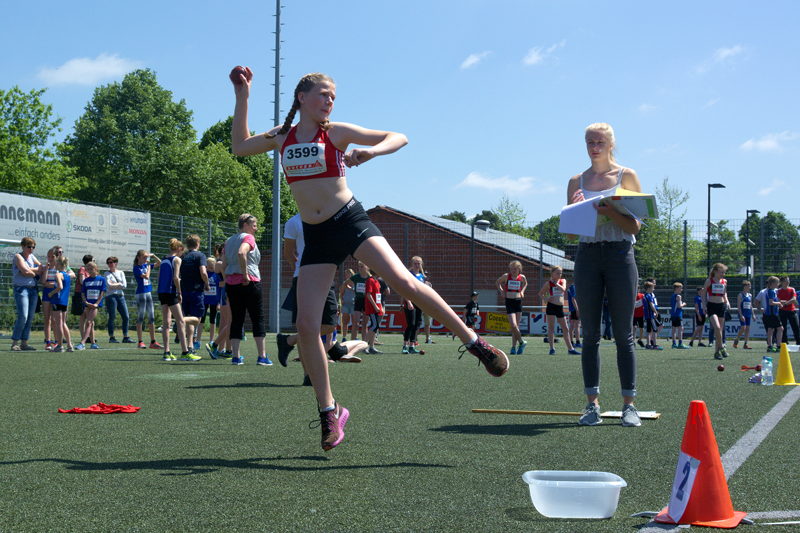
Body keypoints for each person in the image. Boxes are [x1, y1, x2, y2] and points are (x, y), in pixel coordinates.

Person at [230, 67, 508, 450]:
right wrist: (243, 95)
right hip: (317, 236)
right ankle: (330, 411)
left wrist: (372, 152)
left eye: (333, 96)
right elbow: (240, 146)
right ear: (302, 98)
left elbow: (400, 137)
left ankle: (475, 342)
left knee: (405, 282)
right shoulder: (283, 138)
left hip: (350, 221)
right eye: (324, 94)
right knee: (307, 327)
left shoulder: (337, 132)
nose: (330, 101)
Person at [566, 122, 642, 427]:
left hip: (620, 254)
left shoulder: (627, 176)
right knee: (590, 334)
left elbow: (635, 227)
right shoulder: (576, 180)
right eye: (589, 142)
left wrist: (610, 211)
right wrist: (576, 211)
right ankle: (592, 404)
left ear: (611, 144)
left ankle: (629, 405)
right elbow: (571, 235)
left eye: (599, 142)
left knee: (624, 334)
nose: (594, 147)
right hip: (587, 256)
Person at [277, 212, 361, 382]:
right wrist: (302, 270)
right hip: (303, 277)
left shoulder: (330, 217)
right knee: (306, 325)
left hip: (325, 277)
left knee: (329, 325)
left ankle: (288, 340)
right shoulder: (293, 222)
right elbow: (288, 253)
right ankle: (308, 375)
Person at [222, 214, 270, 366]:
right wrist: (245, 275)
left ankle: (236, 357)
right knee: (257, 318)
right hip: (249, 282)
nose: (256, 229)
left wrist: (228, 278)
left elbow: (222, 265)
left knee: (237, 319)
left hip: (231, 283)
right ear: (247, 225)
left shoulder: (228, 241)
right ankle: (262, 356)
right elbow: (242, 253)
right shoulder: (248, 238)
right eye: (254, 225)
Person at [158, 239, 191, 360]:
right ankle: (185, 352)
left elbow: (159, 276)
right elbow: (176, 278)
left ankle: (166, 352)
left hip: (162, 292)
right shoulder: (177, 259)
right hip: (171, 292)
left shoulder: (163, 260)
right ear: (179, 249)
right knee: (181, 321)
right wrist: (179, 292)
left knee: (166, 323)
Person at [179, 234, 210, 357]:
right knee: (197, 319)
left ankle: (190, 345)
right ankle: (180, 320)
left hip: (184, 290)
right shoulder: (200, 255)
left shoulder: (184, 256)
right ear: (198, 243)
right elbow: (203, 271)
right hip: (196, 291)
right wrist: (206, 283)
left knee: (190, 318)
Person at [539, 266, 579, 355]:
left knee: (565, 328)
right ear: (552, 273)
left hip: (559, 308)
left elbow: (563, 289)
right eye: (557, 273)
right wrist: (547, 299)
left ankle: (570, 349)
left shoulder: (563, 281)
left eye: (560, 273)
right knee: (551, 327)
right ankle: (552, 348)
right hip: (551, 307)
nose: (559, 274)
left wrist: (556, 283)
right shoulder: (548, 283)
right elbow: (541, 293)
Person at [11, 237, 42, 351]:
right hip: (21, 289)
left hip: (33, 289)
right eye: (29, 246)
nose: (31, 249)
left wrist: (31, 270)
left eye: (33, 247)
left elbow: (41, 268)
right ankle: (15, 342)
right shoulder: (18, 256)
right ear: (23, 246)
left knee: (29, 317)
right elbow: (25, 272)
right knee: (23, 315)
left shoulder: (32, 257)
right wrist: (33, 271)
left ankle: (24, 343)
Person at [132, 250, 162, 349]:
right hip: (141, 294)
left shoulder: (146, 265)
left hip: (148, 293)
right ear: (139, 257)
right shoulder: (137, 268)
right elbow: (146, 276)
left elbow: (160, 263)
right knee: (141, 317)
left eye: (147, 257)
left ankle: (153, 342)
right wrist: (149, 267)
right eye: (144, 257)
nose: (146, 259)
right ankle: (140, 341)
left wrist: (153, 255)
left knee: (151, 317)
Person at [497, 260, 528, 354]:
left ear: (519, 269)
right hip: (509, 302)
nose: (513, 271)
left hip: (518, 301)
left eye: (515, 269)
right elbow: (497, 282)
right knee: (513, 325)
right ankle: (522, 342)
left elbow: (525, 284)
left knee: (516, 327)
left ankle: (514, 347)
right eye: (511, 269)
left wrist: (522, 291)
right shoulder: (506, 276)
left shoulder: (522, 277)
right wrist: (501, 291)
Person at [701, 263, 730, 360]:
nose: (723, 274)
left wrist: (727, 302)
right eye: (722, 272)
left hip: (721, 306)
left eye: (724, 272)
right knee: (717, 327)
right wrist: (704, 305)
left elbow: (724, 293)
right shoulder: (709, 281)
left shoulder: (724, 281)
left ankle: (717, 353)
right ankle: (721, 347)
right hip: (712, 306)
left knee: (720, 330)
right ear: (716, 272)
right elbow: (703, 294)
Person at [75, 262, 106, 350]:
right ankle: (93, 343)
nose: (89, 270)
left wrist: (96, 303)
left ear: (96, 269)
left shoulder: (101, 279)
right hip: (88, 305)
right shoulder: (86, 281)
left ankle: (82, 343)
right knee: (91, 324)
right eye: (88, 269)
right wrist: (86, 302)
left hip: (95, 306)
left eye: (91, 268)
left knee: (88, 322)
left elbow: (101, 293)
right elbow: (83, 293)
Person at [47, 255, 74, 352]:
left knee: (58, 324)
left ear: (58, 264)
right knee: (63, 323)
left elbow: (60, 287)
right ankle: (69, 345)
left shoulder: (58, 274)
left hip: (57, 300)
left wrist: (51, 293)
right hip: (64, 302)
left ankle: (60, 345)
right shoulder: (67, 275)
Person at [103, 256, 133, 344]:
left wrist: (115, 284)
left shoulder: (121, 272)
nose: (110, 264)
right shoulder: (106, 274)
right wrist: (119, 284)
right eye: (108, 263)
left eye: (112, 262)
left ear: (116, 263)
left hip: (120, 296)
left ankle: (125, 336)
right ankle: (111, 337)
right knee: (112, 316)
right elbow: (109, 285)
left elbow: (124, 285)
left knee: (126, 316)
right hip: (111, 296)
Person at [401, 256, 425, 354]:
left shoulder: (422, 276)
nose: (417, 265)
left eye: (418, 263)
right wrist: (408, 301)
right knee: (411, 324)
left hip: (419, 302)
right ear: (412, 264)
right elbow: (404, 290)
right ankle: (404, 346)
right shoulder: (408, 274)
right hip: (410, 302)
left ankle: (412, 346)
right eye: (415, 263)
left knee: (417, 324)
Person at [345, 261, 370, 342]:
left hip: (367, 301)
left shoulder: (370, 278)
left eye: (362, 266)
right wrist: (350, 288)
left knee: (364, 324)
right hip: (358, 300)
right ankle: (352, 342)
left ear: (366, 267)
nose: (360, 268)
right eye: (359, 266)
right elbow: (345, 284)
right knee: (355, 323)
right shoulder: (356, 277)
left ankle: (364, 344)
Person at [71, 254, 93, 344]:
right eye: (93, 260)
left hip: (87, 294)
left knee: (86, 316)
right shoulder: (83, 269)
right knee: (83, 315)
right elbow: (82, 281)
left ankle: (86, 336)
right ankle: (84, 336)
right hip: (80, 293)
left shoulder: (90, 270)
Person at [363, 268, 384, 354]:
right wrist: (375, 306)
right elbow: (368, 295)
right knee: (374, 325)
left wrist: (380, 306)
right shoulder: (370, 280)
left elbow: (378, 295)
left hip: (377, 307)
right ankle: (363, 346)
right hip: (372, 308)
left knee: (375, 327)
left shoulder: (377, 281)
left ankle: (371, 347)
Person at [40, 247, 58, 351]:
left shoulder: (59, 267)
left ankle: (56, 341)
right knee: (47, 319)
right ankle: (48, 342)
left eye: (52, 256)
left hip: (55, 294)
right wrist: (46, 269)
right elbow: (43, 281)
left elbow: (60, 282)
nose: (50, 258)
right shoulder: (45, 266)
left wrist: (51, 284)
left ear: (57, 256)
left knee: (55, 319)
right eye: (48, 256)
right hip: (46, 294)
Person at [200, 256, 221, 346]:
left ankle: (211, 339)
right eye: (208, 266)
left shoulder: (218, 276)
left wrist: (219, 302)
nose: (210, 268)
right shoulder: (204, 274)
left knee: (213, 320)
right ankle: (198, 339)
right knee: (201, 319)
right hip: (204, 300)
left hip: (214, 301)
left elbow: (220, 289)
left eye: (212, 266)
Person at [762, 276, 783, 353]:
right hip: (773, 314)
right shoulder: (771, 291)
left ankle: (770, 346)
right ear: (772, 283)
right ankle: (778, 346)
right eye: (777, 283)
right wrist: (779, 303)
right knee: (780, 328)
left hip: (769, 313)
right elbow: (771, 303)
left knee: (770, 330)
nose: (778, 284)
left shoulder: (772, 291)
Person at [777, 276, 799, 345]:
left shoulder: (792, 289)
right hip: (782, 311)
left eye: (788, 280)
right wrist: (783, 302)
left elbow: (794, 299)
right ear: (782, 282)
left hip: (791, 311)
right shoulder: (778, 291)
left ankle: (798, 342)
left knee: (796, 327)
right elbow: (778, 300)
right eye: (786, 281)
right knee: (783, 327)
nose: (788, 282)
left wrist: (785, 303)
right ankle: (785, 343)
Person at [733, 280, 753, 350]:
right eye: (748, 286)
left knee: (747, 329)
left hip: (748, 314)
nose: (750, 287)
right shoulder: (740, 295)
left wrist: (753, 314)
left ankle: (746, 344)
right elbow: (738, 306)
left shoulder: (750, 295)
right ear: (745, 287)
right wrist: (741, 315)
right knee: (743, 328)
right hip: (742, 314)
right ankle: (736, 339)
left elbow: (750, 306)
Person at [643, 281, 662, 350]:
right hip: (650, 316)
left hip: (648, 316)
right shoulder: (648, 296)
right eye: (652, 287)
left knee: (649, 330)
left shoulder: (645, 295)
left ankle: (648, 344)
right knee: (654, 330)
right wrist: (655, 312)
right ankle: (654, 344)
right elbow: (651, 305)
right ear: (648, 288)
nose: (653, 289)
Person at [339, 268, 356, 341]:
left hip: (354, 304)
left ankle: (354, 337)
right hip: (346, 304)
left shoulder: (356, 282)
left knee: (355, 322)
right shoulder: (344, 283)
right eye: (346, 274)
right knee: (345, 321)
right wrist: (342, 300)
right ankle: (344, 337)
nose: (347, 275)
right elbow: (341, 293)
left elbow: (358, 292)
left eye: (348, 274)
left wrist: (350, 288)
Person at [670, 282, 688, 349]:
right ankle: (680, 343)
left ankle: (674, 344)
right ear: (677, 288)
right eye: (681, 288)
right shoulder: (678, 296)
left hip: (673, 314)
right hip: (678, 315)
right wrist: (684, 304)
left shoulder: (672, 295)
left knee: (674, 329)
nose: (682, 289)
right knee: (680, 329)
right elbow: (679, 306)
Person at [566, 279, 581, 347]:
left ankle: (571, 342)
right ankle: (577, 342)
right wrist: (577, 309)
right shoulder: (573, 287)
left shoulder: (572, 287)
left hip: (573, 309)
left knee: (572, 325)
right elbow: (573, 299)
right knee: (577, 325)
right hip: (575, 309)